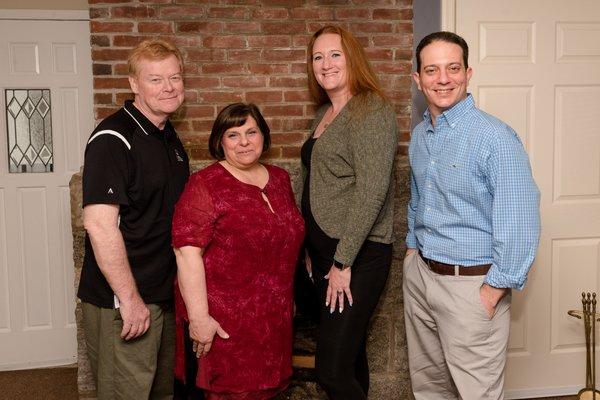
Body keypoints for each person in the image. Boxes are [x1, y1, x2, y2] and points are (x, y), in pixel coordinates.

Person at [404, 31, 541, 399]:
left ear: (468, 73)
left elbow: (520, 221)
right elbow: (419, 197)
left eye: (452, 68)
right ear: (418, 79)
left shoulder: (495, 138)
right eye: (431, 70)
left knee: (475, 393)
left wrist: (495, 288)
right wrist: (412, 252)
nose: (443, 79)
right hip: (421, 277)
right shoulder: (420, 135)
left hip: (471, 287)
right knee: (430, 387)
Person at [77, 39, 190, 399]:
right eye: (155, 79)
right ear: (133, 84)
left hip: (160, 294)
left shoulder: (167, 137)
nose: (168, 87)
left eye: (174, 77)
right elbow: (98, 224)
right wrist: (130, 300)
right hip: (125, 301)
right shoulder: (112, 139)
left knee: (159, 393)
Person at [171, 103, 305, 400]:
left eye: (251, 132)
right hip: (223, 324)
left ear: (263, 136)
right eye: (233, 135)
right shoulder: (205, 184)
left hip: (272, 320)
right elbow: (186, 253)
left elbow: (287, 239)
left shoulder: (280, 180)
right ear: (220, 141)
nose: (244, 141)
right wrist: (199, 318)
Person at [302, 25, 398, 399]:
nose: (325, 64)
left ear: (353, 58)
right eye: (318, 57)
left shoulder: (371, 108)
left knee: (332, 371)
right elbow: (318, 182)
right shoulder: (326, 113)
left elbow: (372, 191)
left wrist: (342, 263)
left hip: (358, 255)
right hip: (326, 253)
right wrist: (311, 248)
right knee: (351, 358)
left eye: (335, 54)